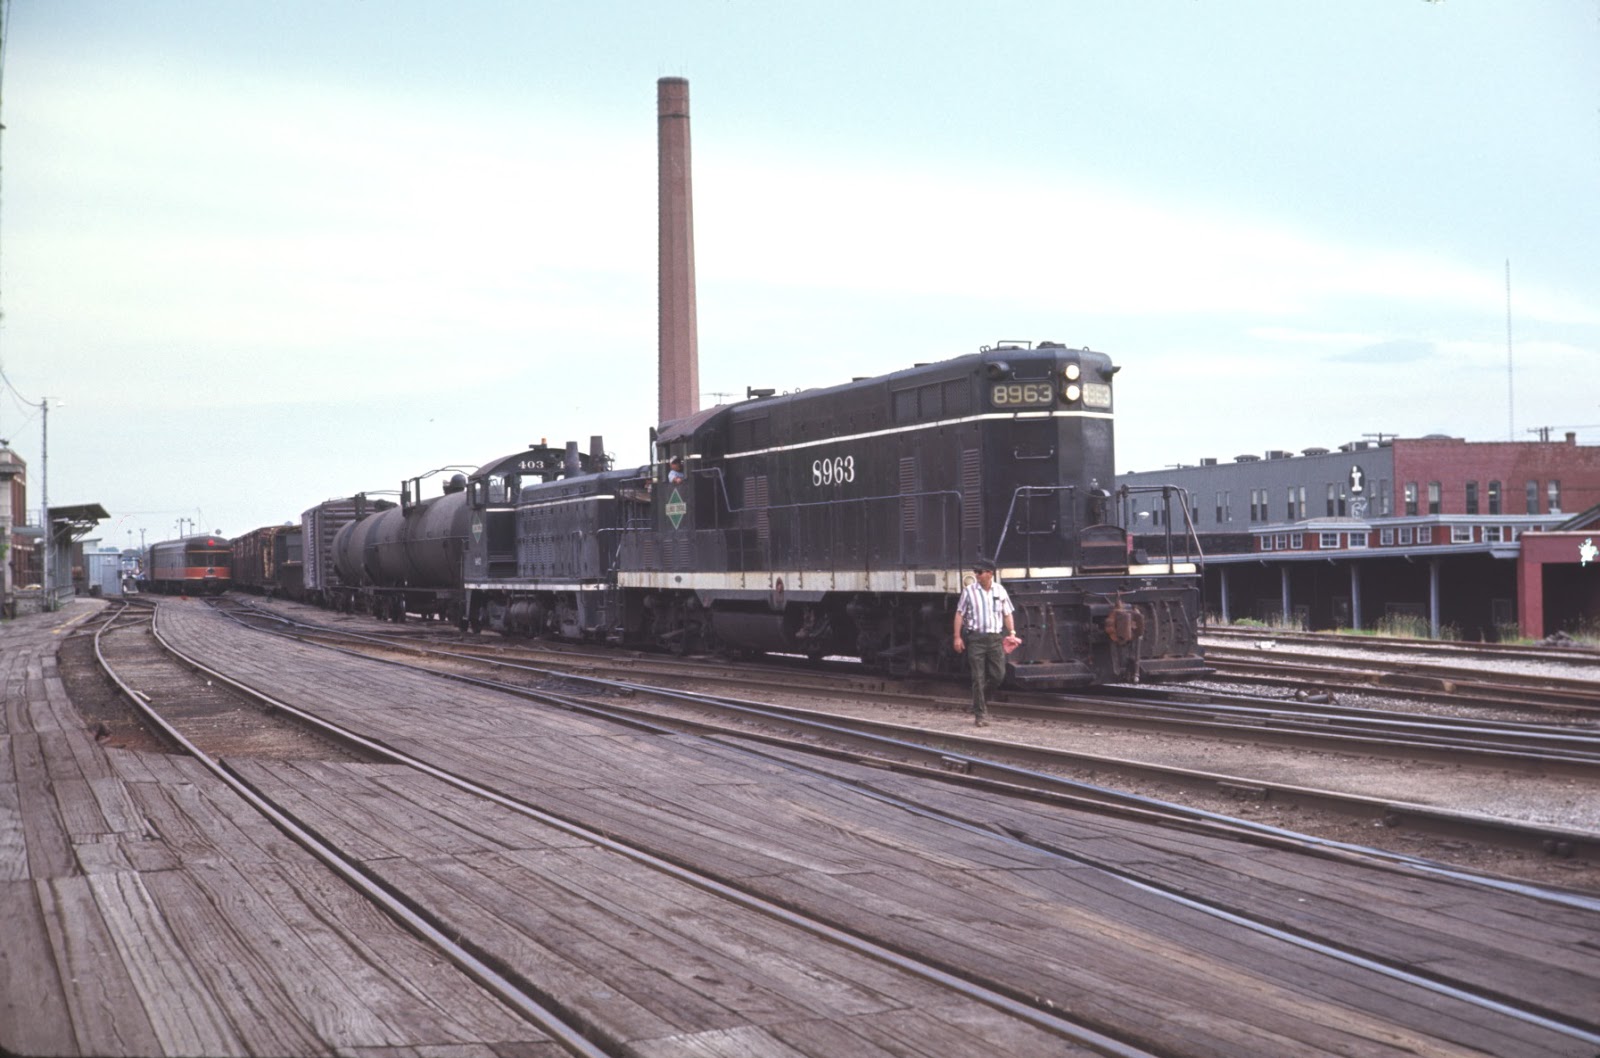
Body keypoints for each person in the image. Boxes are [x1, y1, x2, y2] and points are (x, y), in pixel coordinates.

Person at [952, 561, 1015, 726]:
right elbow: (959, 614)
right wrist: (957, 637)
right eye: (975, 572)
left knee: (998, 675)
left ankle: (979, 701)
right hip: (976, 639)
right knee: (978, 677)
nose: (976, 575)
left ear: (990, 573)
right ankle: (980, 715)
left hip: (995, 639)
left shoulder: (1000, 590)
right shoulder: (969, 591)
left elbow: (1007, 613)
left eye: (979, 572)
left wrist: (1012, 633)